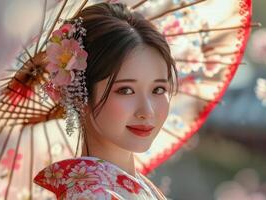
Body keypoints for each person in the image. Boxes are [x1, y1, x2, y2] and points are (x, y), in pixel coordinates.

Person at [33, 2, 178, 199]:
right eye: (126, 90)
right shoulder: (93, 195)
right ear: (79, 93)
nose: (148, 111)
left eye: (158, 89)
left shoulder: (137, 187)